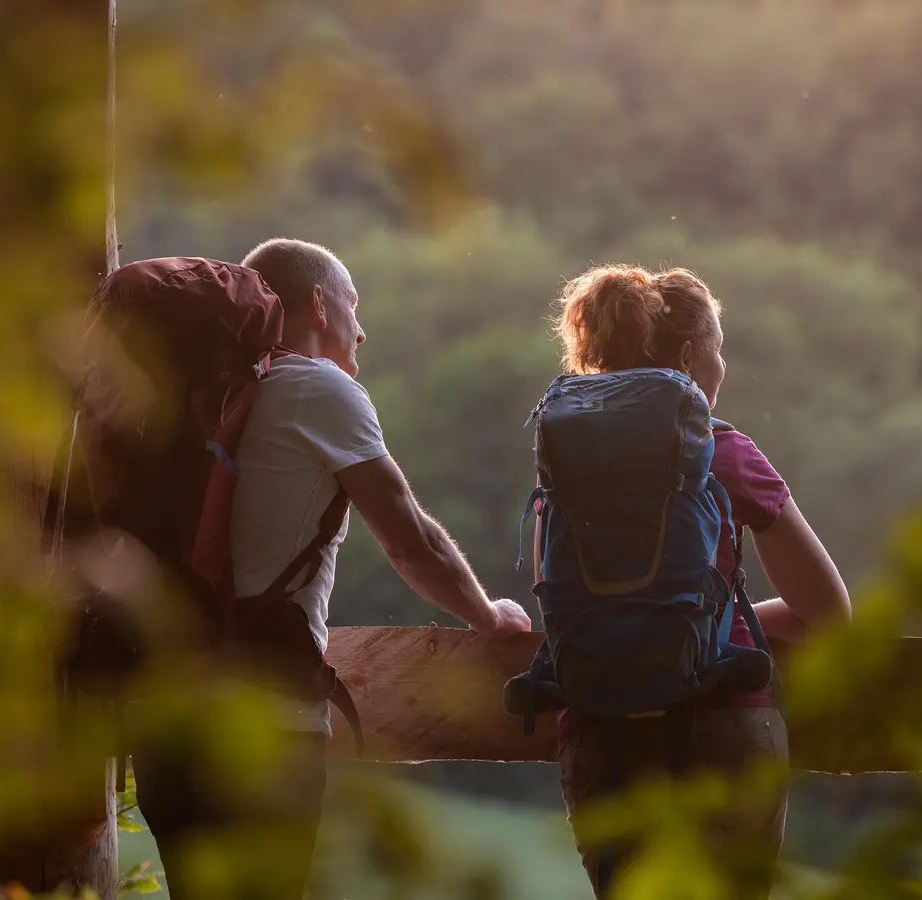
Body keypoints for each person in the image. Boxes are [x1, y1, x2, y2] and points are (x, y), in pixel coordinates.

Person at [131, 238, 534, 900]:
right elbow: (412, 541)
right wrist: (488, 615)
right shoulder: (318, 389)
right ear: (319, 304)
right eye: (354, 303)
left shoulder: (210, 395)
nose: (362, 327)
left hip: (167, 727)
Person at [540, 263, 851, 899]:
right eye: (719, 348)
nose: (722, 366)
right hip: (719, 725)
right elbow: (827, 611)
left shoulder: (566, 456)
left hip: (602, 729)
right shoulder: (722, 449)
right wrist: (710, 629)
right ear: (690, 356)